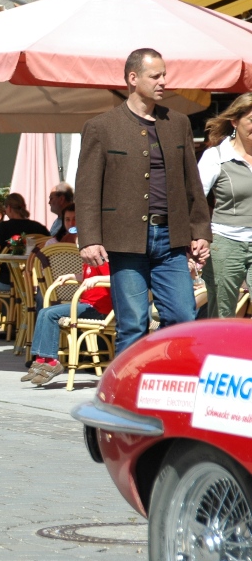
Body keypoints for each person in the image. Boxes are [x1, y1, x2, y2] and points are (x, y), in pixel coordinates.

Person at [75, 48, 211, 353]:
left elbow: (192, 183)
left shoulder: (178, 123)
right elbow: (86, 189)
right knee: (133, 323)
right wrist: (90, 239)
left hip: (171, 239)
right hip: (125, 240)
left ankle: (160, 369)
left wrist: (200, 230)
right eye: (156, 76)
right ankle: (128, 382)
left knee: (183, 317)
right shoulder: (101, 127)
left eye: (164, 75)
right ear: (133, 78)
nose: (163, 81)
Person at [197, 92, 252, 318]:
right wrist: (197, 236)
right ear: (235, 121)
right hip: (226, 242)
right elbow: (195, 200)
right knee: (222, 313)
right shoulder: (216, 156)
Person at [22, 257, 113, 387]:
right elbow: (89, 277)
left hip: (99, 309)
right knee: (43, 312)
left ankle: (52, 362)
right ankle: (40, 360)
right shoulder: (89, 259)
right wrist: (72, 276)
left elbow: (118, 278)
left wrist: (98, 279)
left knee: (51, 314)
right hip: (86, 304)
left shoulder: (103, 258)